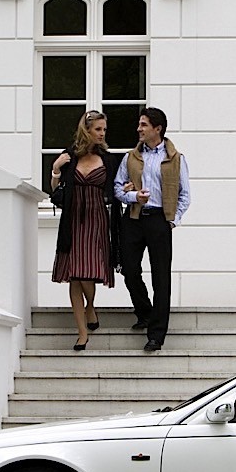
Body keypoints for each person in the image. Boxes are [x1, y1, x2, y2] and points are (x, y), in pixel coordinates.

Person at [113, 107, 190, 352]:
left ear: (157, 129)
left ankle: (156, 334)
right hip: (133, 219)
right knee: (129, 269)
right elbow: (117, 190)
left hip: (159, 221)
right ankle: (145, 311)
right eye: (139, 124)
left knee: (161, 277)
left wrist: (172, 220)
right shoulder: (130, 158)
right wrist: (135, 196)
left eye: (144, 125)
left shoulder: (176, 159)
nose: (139, 129)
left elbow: (184, 195)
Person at [49, 110, 122, 351]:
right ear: (86, 131)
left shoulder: (109, 160)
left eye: (104, 129)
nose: (102, 133)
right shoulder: (70, 156)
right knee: (74, 275)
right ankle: (82, 333)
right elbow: (55, 192)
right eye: (98, 129)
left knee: (87, 273)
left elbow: (116, 189)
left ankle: (90, 304)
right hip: (73, 220)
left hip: (97, 219)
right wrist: (56, 170)